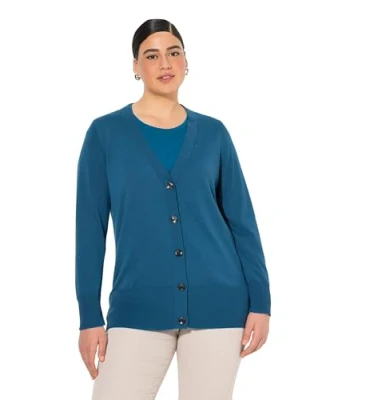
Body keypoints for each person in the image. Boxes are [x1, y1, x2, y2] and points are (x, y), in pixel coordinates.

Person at [75, 18, 271, 400]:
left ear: (186, 62)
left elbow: (242, 223)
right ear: (135, 66)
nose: (165, 63)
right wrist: (88, 315)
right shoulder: (105, 134)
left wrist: (261, 302)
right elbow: (90, 230)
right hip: (137, 306)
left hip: (219, 304)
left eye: (173, 53)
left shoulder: (214, 134)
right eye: (151, 56)